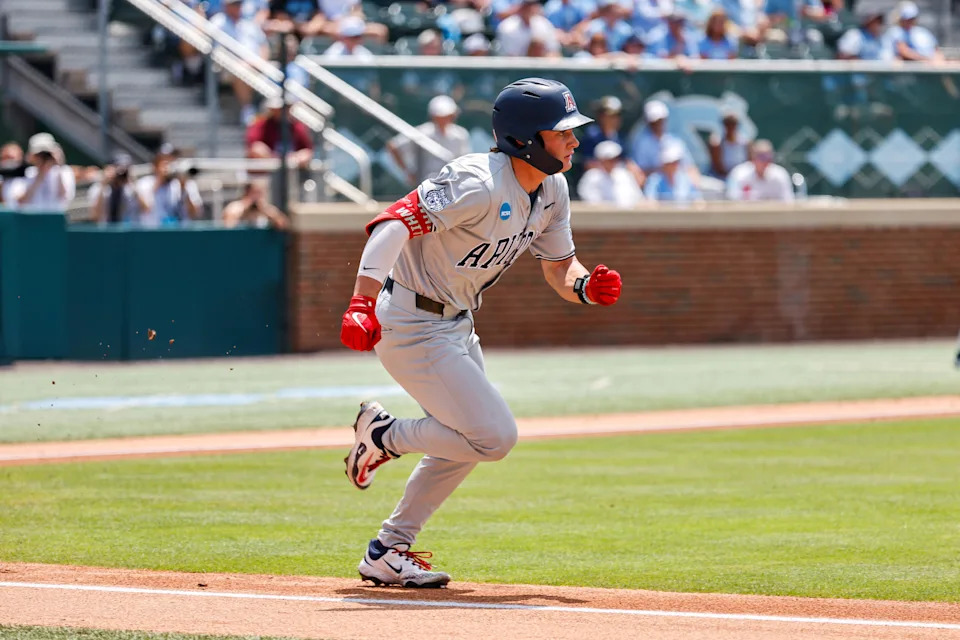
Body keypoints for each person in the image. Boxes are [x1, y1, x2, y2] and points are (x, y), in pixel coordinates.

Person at [338, 77, 623, 588]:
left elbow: (560, 267)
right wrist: (361, 301)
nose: (575, 140)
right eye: (563, 132)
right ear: (526, 139)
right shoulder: (476, 180)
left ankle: (387, 550)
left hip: (456, 323)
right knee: (493, 437)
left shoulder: (552, 188)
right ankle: (382, 435)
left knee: (462, 444)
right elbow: (392, 225)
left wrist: (583, 287)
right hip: (409, 320)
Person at [387, 95, 471, 186]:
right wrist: (408, 172)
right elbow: (393, 145)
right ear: (433, 116)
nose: (444, 119)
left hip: (452, 184)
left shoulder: (461, 134)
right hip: (426, 185)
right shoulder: (422, 132)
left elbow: (465, 160)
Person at [210, 0, 270, 125]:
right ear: (226, 6)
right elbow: (215, 50)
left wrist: (261, 63)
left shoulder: (249, 24)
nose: (238, 7)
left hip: (255, 66)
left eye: (239, 4)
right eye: (234, 4)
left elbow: (263, 45)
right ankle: (247, 110)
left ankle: (266, 114)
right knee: (241, 71)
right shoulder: (218, 21)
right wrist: (242, 63)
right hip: (226, 66)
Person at [135, 148, 204, 226]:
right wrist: (159, 181)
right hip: (154, 233)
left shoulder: (187, 184)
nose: (168, 165)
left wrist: (184, 190)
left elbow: (194, 214)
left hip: (180, 234)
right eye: (164, 161)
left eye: (171, 161)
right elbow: (146, 209)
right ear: (155, 165)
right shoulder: (145, 183)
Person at [246, 96, 315, 168]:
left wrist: (296, 158)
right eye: (280, 109)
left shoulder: (297, 126)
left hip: (292, 169)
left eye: (286, 108)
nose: (283, 111)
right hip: (267, 170)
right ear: (272, 110)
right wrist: (275, 158)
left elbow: (307, 150)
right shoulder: (260, 125)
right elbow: (255, 147)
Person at [16, 133, 76, 212]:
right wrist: (40, 175)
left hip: (55, 219)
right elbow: (21, 202)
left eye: (46, 154)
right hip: (33, 219)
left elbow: (64, 197)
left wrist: (59, 164)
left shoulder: (64, 171)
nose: (43, 157)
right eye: (39, 154)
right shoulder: (28, 173)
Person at [577, 140, 645, 208]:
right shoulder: (591, 177)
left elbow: (637, 198)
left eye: (615, 158)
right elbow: (591, 203)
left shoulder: (624, 175)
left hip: (627, 216)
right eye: (609, 159)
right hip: (603, 217)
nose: (613, 161)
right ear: (601, 159)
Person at [725, 139, 794, 201]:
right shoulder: (739, 174)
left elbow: (788, 202)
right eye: (762, 157)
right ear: (753, 158)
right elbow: (732, 200)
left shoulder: (780, 175)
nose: (766, 162)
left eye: (769, 158)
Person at [87, 153, 147, 224]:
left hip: (128, 231)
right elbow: (95, 216)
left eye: (125, 168)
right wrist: (103, 184)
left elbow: (146, 210)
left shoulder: (132, 189)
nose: (121, 172)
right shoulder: (98, 188)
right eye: (118, 168)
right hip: (106, 231)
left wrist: (133, 182)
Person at [222, 179, 290, 229]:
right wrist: (245, 209)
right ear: (247, 192)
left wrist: (267, 212)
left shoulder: (266, 208)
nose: (257, 196)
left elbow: (283, 225)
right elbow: (228, 225)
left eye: (260, 193)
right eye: (254, 192)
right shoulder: (235, 207)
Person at [708, 110, 751, 178]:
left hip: (741, 178)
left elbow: (749, 163)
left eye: (733, 123)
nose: (730, 126)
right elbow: (717, 167)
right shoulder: (716, 143)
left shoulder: (746, 143)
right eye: (727, 123)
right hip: (722, 178)